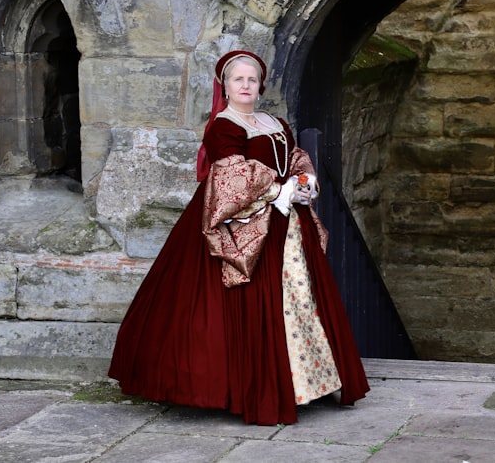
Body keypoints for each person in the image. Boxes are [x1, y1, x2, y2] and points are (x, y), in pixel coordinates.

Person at [108, 50, 369, 425]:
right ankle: (257, 389)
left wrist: (304, 180)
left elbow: (294, 157)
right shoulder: (223, 127)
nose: (246, 85)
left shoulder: (273, 121)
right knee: (240, 305)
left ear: (260, 85)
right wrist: (280, 192)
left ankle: (306, 382)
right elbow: (233, 177)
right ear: (226, 86)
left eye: (252, 79)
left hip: (285, 227)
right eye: (238, 80)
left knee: (300, 297)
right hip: (244, 226)